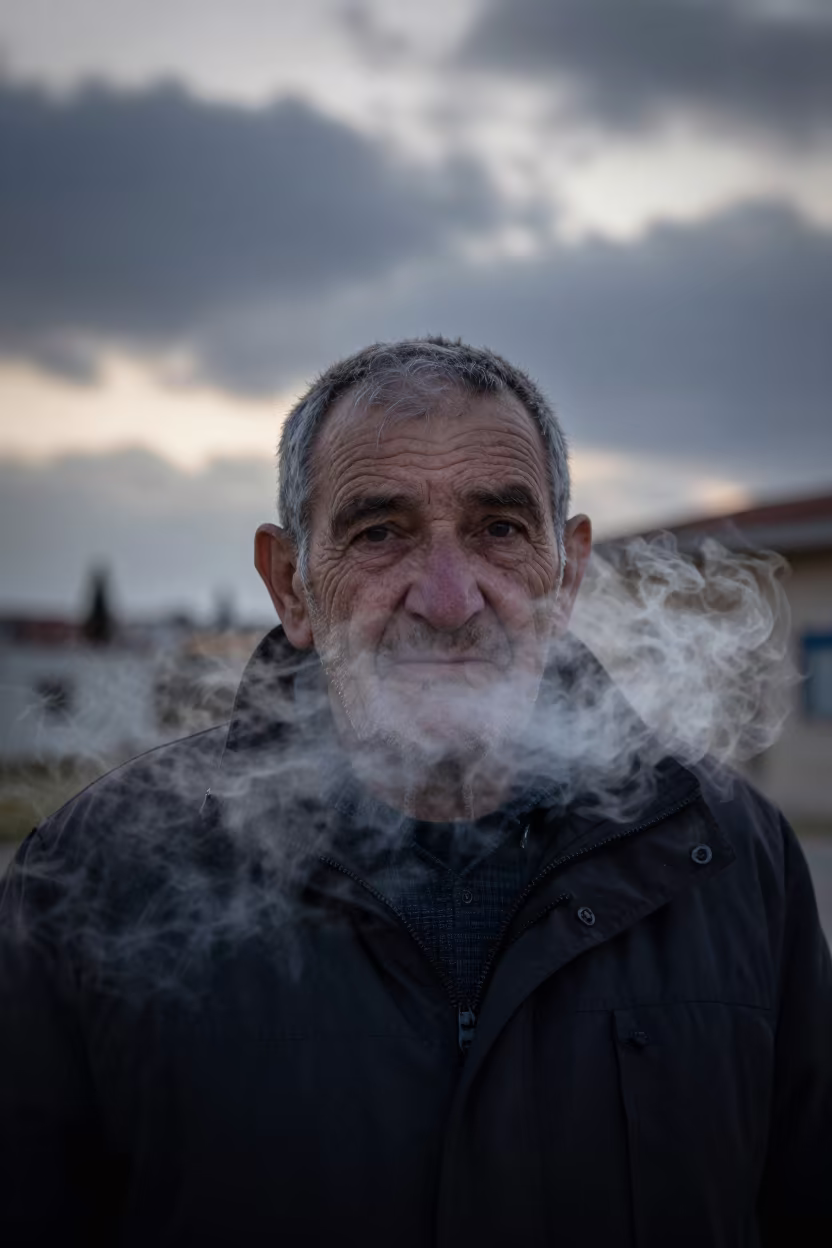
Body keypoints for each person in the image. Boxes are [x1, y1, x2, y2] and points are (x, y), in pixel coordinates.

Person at [1, 336, 830, 1247]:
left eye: (501, 529)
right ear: (292, 585)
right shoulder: (94, 873)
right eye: (380, 532)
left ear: (568, 574)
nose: (446, 599)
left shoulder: (729, 856)